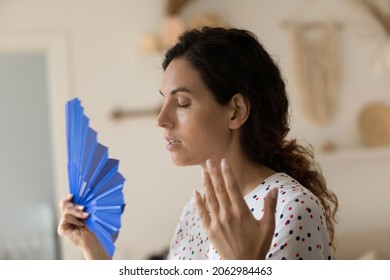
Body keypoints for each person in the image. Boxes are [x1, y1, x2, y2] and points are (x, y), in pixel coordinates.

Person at [58, 26, 338, 260]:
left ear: (236, 111)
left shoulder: (292, 209)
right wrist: (92, 248)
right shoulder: (198, 210)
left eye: (182, 102)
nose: (161, 119)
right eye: (163, 100)